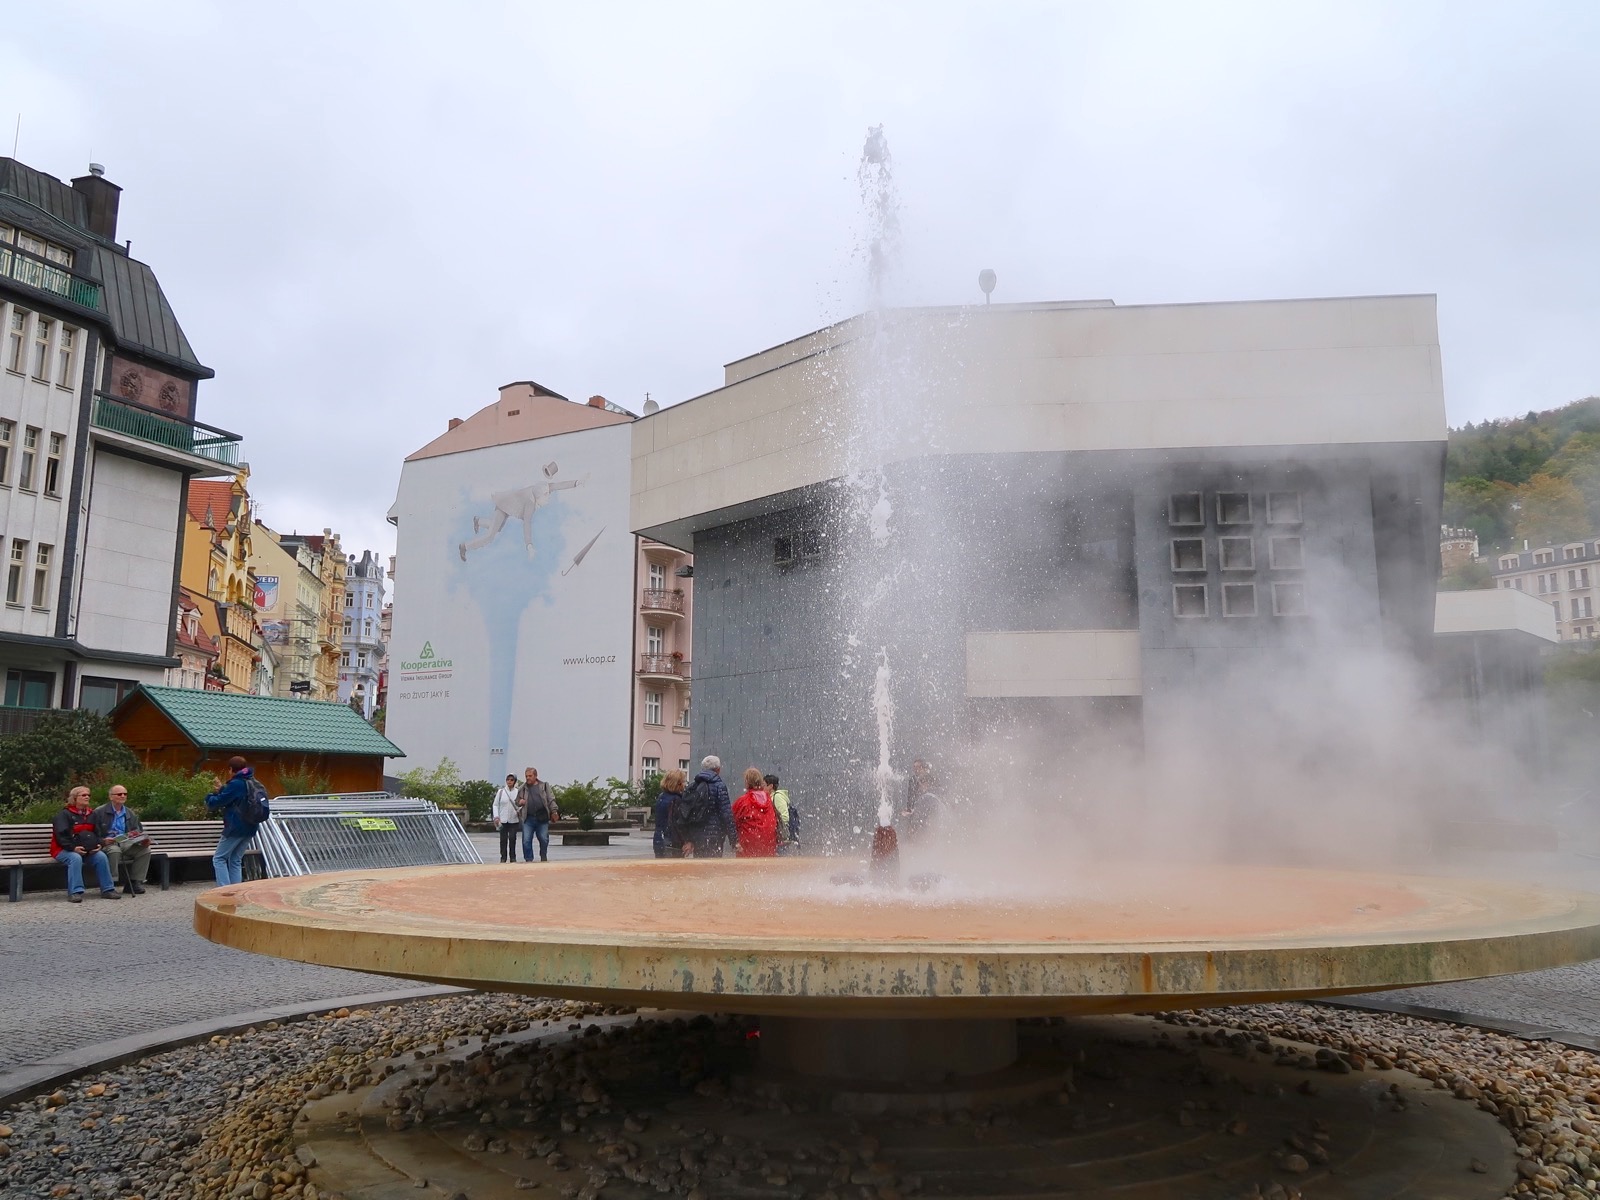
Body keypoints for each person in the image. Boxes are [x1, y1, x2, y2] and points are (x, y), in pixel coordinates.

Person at [458, 463, 582, 562]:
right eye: (546, 498)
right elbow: (527, 524)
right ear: (539, 497)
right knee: (490, 536)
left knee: (498, 527)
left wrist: (576, 482)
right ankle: (465, 546)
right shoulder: (530, 504)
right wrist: (529, 545)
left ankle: (478, 521)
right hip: (504, 505)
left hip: (509, 505)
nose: (548, 499)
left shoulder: (544, 488)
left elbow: (559, 485)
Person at [52, 786, 118, 902]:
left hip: (87, 850)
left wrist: (99, 845)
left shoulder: (92, 814)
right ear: (74, 798)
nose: (87, 797)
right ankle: (75, 892)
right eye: (83, 795)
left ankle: (108, 889)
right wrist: (73, 848)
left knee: (101, 857)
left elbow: (97, 833)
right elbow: (60, 836)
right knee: (75, 858)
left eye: (88, 795)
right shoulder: (64, 815)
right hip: (63, 849)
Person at [206, 756, 265, 886]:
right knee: (235, 860)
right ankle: (235, 891)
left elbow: (218, 802)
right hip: (251, 826)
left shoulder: (236, 783)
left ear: (231, 769)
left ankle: (224, 892)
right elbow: (236, 798)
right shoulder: (252, 781)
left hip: (235, 827)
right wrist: (222, 789)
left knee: (219, 859)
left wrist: (210, 796)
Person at [94, 783, 153, 894]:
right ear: (111, 796)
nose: (122, 796)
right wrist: (103, 840)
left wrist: (143, 841)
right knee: (114, 850)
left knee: (145, 851)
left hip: (125, 843)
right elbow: (93, 832)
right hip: (107, 844)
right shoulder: (99, 812)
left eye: (125, 794)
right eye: (119, 794)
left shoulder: (130, 812)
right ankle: (109, 884)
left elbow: (137, 830)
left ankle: (134, 883)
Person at [673, 755, 736, 858]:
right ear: (718, 770)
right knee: (713, 868)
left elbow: (685, 814)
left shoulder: (694, 786)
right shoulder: (719, 786)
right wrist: (734, 839)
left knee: (700, 867)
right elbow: (726, 813)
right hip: (715, 837)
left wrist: (688, 839)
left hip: (697, 837)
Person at [732, 767, 779, 858]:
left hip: (748, 846)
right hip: (768, 846)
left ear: (747, 782)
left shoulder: (743, 802)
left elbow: (732, 821)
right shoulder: (769, 800)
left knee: (746, 871)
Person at [519, 767, 557, 862]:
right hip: (528, 818)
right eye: (526, 776)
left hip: (542, 817)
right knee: (526, 840)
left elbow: (550, 799)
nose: (528, 778)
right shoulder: (523, 788)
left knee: (544, 838)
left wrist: (554, 811)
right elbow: (517, 801)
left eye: (530, 776)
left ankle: (543, 855)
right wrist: (520, 801)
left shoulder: (544, 786)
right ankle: (529, 859)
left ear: (535, 776)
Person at [901, 757, 939, 839]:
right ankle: (913, 840)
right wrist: (909, 808)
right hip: (917, 807)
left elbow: (936, 792)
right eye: (914, 767)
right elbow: (910, 796)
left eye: (918, 767)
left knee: (926, 825)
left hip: (928, 808)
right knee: (913, 825)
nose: (916, 769)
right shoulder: (912, 780)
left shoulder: (931, 778)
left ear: (922, 767)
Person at [653, 769, 686, 858]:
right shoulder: (676, 800)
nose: (685, 785)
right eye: (683, 782)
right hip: (671, 841)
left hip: (659, 838)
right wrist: (684, 841)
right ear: (677, 784)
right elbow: (676, 824)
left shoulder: (661, 797)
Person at [492, 773, 523, 862]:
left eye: (511, 780)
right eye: (508, 779)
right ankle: (503, 857)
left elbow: (520, 805)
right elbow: (495, 805)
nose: (509, 781)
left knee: (513, 838)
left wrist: (519, 811)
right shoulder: (501, 792)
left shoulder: (517, 792)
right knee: (503, 839)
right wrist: (496, 816)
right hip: (503, 819)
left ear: (515, 782)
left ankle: (513, 857)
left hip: (514, 820)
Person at [764, 774, 798, 855]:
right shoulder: (771, 797)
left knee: (782, 857)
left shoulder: (777, 797)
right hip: (779, 838)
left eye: (764, 785)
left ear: (771, 786)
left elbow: (784, 816)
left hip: (782, 839)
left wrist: (781, 831)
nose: (762, 788)